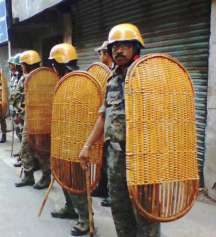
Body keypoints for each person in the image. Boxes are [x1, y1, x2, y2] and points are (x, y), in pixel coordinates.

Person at [79, 23, 161, 237]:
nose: (118, 50)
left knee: (146, 211)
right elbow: (103, 116)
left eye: (124, 45)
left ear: (136, 47)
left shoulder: (149, 75)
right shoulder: (112, 78)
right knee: (120, 208)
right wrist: (87, 146)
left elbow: (164, 117)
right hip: (115, 156)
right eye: (114, 46)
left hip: (144, 156)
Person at [47, 43, 90, 236]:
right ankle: (70, 208)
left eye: (54, 64)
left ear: (59, 63)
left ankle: (85, 219)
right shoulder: (63, 80)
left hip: (77, 140)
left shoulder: (79, 81)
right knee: (63, 177)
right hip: (63, 138)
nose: (53, 68)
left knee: (76, 181)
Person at [14, 50, 51, 189]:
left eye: (22, 64)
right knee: (40, 148)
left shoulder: (26, 78)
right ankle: (38, 176)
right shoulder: (46, 75)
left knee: (29, 147)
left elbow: (16, 97)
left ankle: (36, 176)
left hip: (32, 118)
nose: (21, 66)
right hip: (42, 118)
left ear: (26, 64)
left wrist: (19, 112)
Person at [93, 40, 113, 208]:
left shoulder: (116, 72)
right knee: (103, 159)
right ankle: (102, 188)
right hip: (105, 123)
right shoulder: (107, 73)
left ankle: (113, 194)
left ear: (106, 53)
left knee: (112, 162)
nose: (100, 56)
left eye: (101, 53)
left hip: (115, 127)